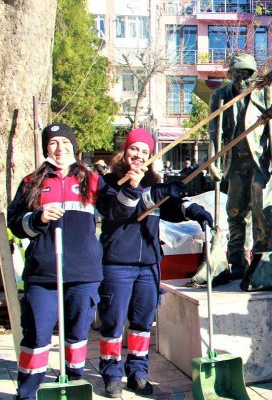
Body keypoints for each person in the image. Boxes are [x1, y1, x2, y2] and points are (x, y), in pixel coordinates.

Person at [7, 123, 129, 400]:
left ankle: (73, 384)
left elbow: (117, 210)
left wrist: (131, 186)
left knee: (76, 337)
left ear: (74, 146)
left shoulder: (91, 180)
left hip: (83, 273)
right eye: (52, 143)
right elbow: (15, 223)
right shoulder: (31, 182)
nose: (60, 148)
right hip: (42, 274)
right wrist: (36, 218)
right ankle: (27, 392)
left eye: (65, 142)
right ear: (45, 148)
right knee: (36, 338)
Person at [97, 128, 214, 397]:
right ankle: (111, 374)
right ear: (124, 152)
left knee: (142, 324)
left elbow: (169, 206)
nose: (138, 155)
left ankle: (138, 372)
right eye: (133, 149)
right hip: (117, 263)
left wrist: (191, 209)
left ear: (150, 157)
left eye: (144, 152)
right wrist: (141, 189)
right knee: (113, 324)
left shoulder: (153, 186)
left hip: (149, 263)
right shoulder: (109, 184)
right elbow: (121, 211)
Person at [209, 53, 272, 279]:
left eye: (248, 75)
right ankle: (237, 262)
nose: (243, 80)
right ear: (230, 74)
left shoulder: (267, 94)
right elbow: (214, 131)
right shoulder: (220, 96)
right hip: (235, 162)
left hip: (260, 162)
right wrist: (213, 161)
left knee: (261, 209)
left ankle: (263, 259)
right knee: (235, 210)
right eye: (238, 74)